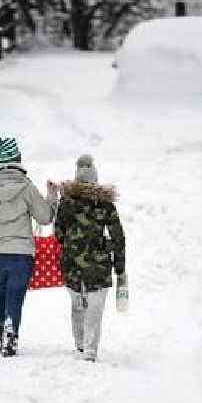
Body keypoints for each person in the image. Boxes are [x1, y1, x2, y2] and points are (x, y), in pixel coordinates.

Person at [0, 137, 58, 357]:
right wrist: (52, 197)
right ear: (17, 159)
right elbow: (45, 217)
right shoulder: (26, 187)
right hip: (20, 255)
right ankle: (10, 339)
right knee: (15, 298)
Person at [55, 155, 126, 362]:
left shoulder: (66, 202)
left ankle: (79, 344)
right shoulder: (105, 204)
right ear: (95, 178)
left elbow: (58, 234)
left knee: (77, 305)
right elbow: (118, 237)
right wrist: (119, 266)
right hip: (99, 265)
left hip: (71, 264)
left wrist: (71, 243)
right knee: (95, 308)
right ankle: (90, 351)